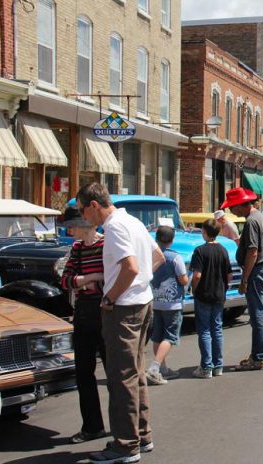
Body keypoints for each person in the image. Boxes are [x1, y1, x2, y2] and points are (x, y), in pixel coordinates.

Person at [77, 183, 165, 464]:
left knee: (120, 377)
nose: (83, 217)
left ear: (93, 205)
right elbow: (157, 257)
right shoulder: (133, 221)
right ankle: (141, 434)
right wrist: (139, 285)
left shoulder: (114, 227)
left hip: (124, 308)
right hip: (143, 302)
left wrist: (111, 297)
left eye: (83, 210)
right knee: (135, 372)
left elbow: (131, 267)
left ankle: (126, 445)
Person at [60, 206, 108, 445]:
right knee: (83, 372)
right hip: (84, 315)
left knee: (114, 373)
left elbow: (111, 280)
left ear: (83, 224)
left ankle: (122, 425)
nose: (69, 231)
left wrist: (85, 283)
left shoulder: (105, 245)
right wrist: (89, 279)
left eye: (71, 226)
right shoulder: (77, 248)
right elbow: (65, 280)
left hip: (105, 312)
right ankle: (92, 426)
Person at [224, 188, 263, 371]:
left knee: (257, 315)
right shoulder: (259, 216)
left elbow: (253, 252)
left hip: (256, 271)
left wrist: (244, 280)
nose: (231, 212)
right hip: (261, 269)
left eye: (232, 208)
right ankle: (256, 355)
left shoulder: (252, 221)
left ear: (239, 205)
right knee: (257, 314)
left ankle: (258, 358)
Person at [190, 220, 233, 379]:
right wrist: (225, 288)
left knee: (205, 330)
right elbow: (229, 274)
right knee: (217, 328)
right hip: (219, 294)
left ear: (205, 232)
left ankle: (206, 366)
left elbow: (197, 275)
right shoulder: (223, 250)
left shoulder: (200, 251)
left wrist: (194, 288)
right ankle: (218, 365)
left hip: (203, 294)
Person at [146, 226, 188, 385]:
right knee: (170, 336)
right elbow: (183, 279)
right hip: (173, 303)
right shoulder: (175, 257)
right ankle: (155, 367)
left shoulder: (151, 255)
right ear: (172, 240)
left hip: (155, 301)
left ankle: (163, 368)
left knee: (157, 335)